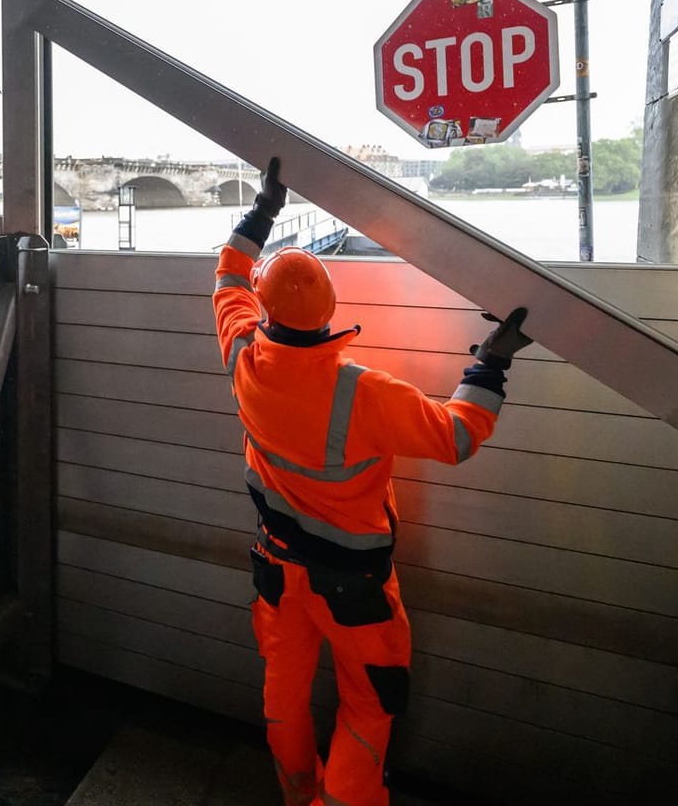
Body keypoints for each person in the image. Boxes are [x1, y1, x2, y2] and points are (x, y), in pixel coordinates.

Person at [213, 157, 531, 806]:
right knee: (369, 705)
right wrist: (489, 364)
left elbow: (227, 277)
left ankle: (297, 795)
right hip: (354, 590)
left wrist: (264, 209)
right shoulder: (364, 393)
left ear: (265, 311)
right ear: (333, 310)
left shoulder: (244, 353)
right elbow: (457, 436)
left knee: (285, 695)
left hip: (278, 575)